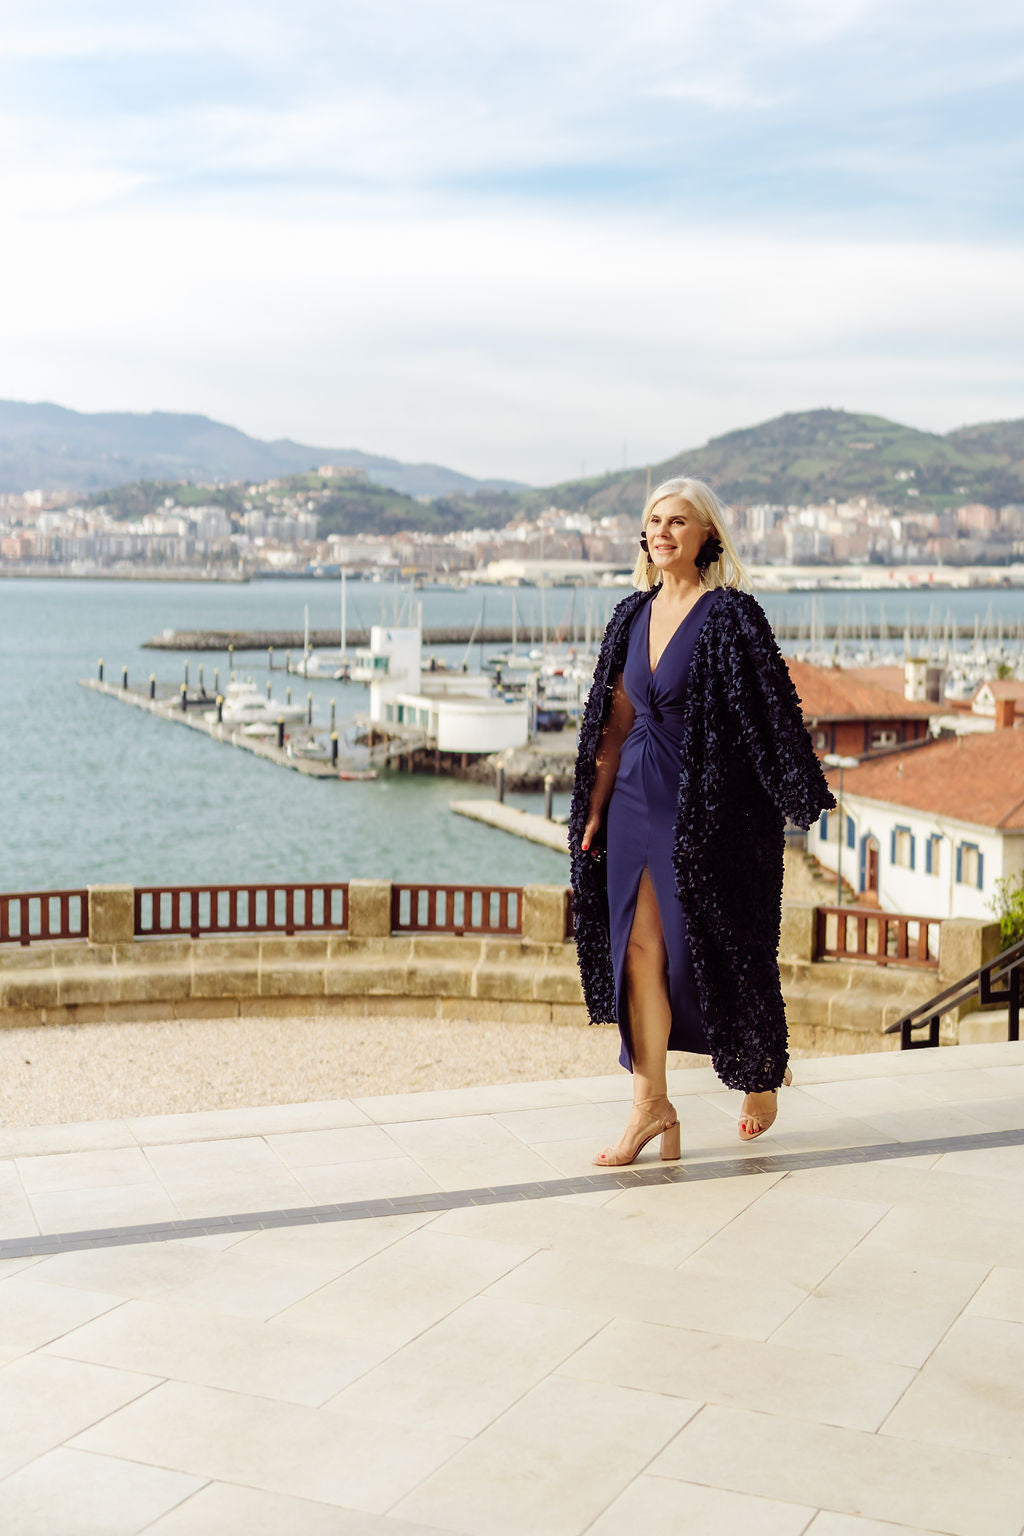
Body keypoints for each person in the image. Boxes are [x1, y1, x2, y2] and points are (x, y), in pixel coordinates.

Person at [568, 476, 834, 1166]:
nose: (662, 532)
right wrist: (592, 811)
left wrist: (796, 790)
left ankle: (758, 1070)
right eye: (653, 520)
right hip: (631, 797)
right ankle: (649, 1105)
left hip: (705, 807)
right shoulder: (629, 614)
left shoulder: (731, 615)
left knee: (720, 942)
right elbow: (614, 720)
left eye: (677, 521)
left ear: (707, 534)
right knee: (637, 950)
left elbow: (770, 711)